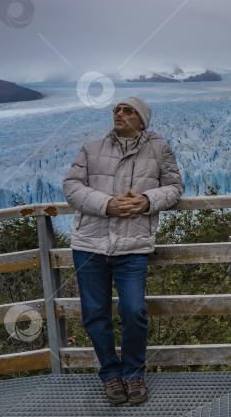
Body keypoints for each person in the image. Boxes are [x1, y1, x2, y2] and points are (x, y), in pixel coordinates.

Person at [63, 96, 183, 404]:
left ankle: (134, 374)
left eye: (127, 110)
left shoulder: (159, 149)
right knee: (94, 314)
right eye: (117, 109)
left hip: (133, 246)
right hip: (89, 245)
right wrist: (106, 205)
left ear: (141, 121)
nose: (119, 113)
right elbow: (72, 187)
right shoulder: (91, 148)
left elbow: (174, 187)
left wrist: (146, 200)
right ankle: (111, 375)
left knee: (134, 310)